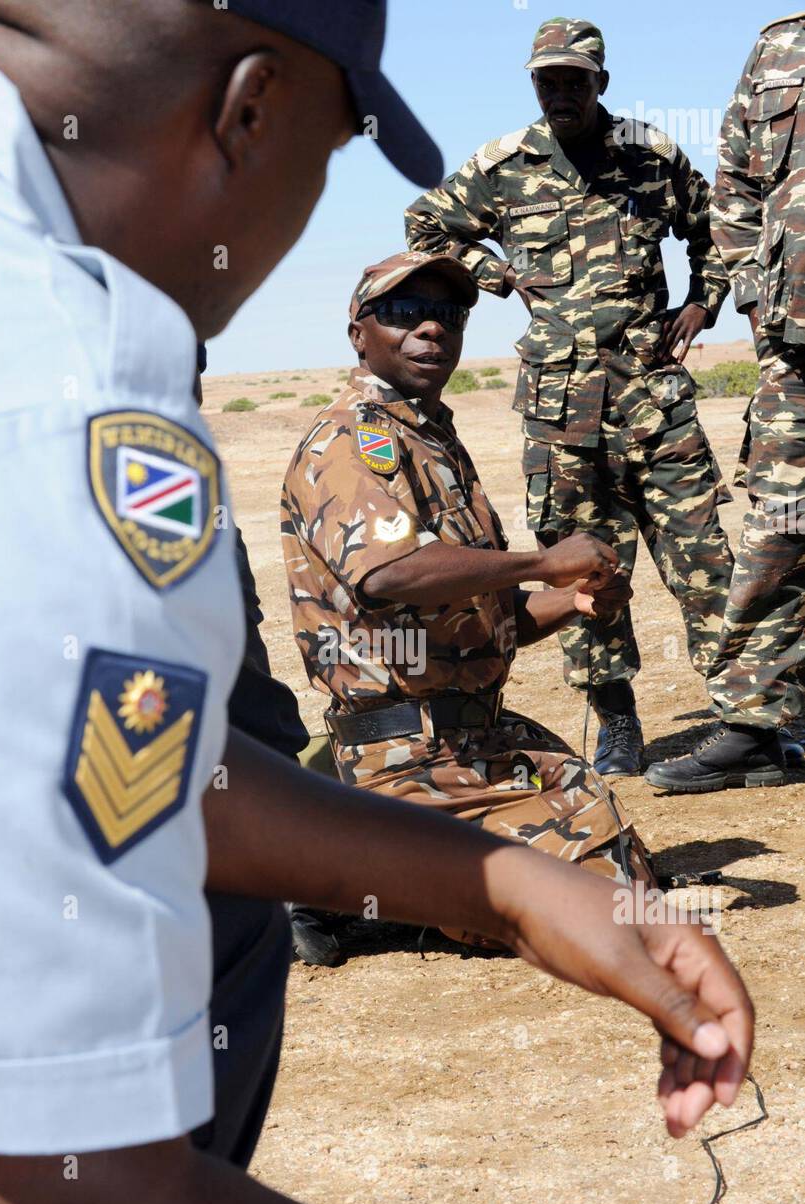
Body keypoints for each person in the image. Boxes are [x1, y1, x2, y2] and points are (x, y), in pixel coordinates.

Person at [0, 3, 753, 1204]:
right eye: (332, 154)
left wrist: (508, 889)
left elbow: (131, 769)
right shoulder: (49, 407)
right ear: (248, 109)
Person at [404, 17, 734, 777]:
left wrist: (701, 302)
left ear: (599, 83)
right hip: (559, 407)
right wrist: (497, 276)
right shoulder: (504, 164)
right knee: (577, 568)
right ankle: (616, 723)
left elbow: (714, 228)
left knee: (702, 557)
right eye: (546, 81)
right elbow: (426, 225)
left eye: (573, 81)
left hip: (653, 395)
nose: (559, 93)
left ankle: (741, 715)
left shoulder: (650, 154)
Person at [282, 247, 659, 896]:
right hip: (402, 754)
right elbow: (389, 573)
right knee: (595, 898)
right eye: (404, 312)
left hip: (473, 734)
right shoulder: (349, 437)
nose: (431, 329)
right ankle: (336, 890)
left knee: (617, 851)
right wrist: (544, 559)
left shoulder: (431, 441)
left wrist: (571, 602)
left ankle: (363, 874)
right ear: (358, 333)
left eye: (448, 316)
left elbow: (490, 617)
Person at [645, 12, 805, 792]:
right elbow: (736, 184)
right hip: (792, 343)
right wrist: (752, 302)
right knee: (778, 530)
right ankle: (753, 724)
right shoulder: (778, 46)